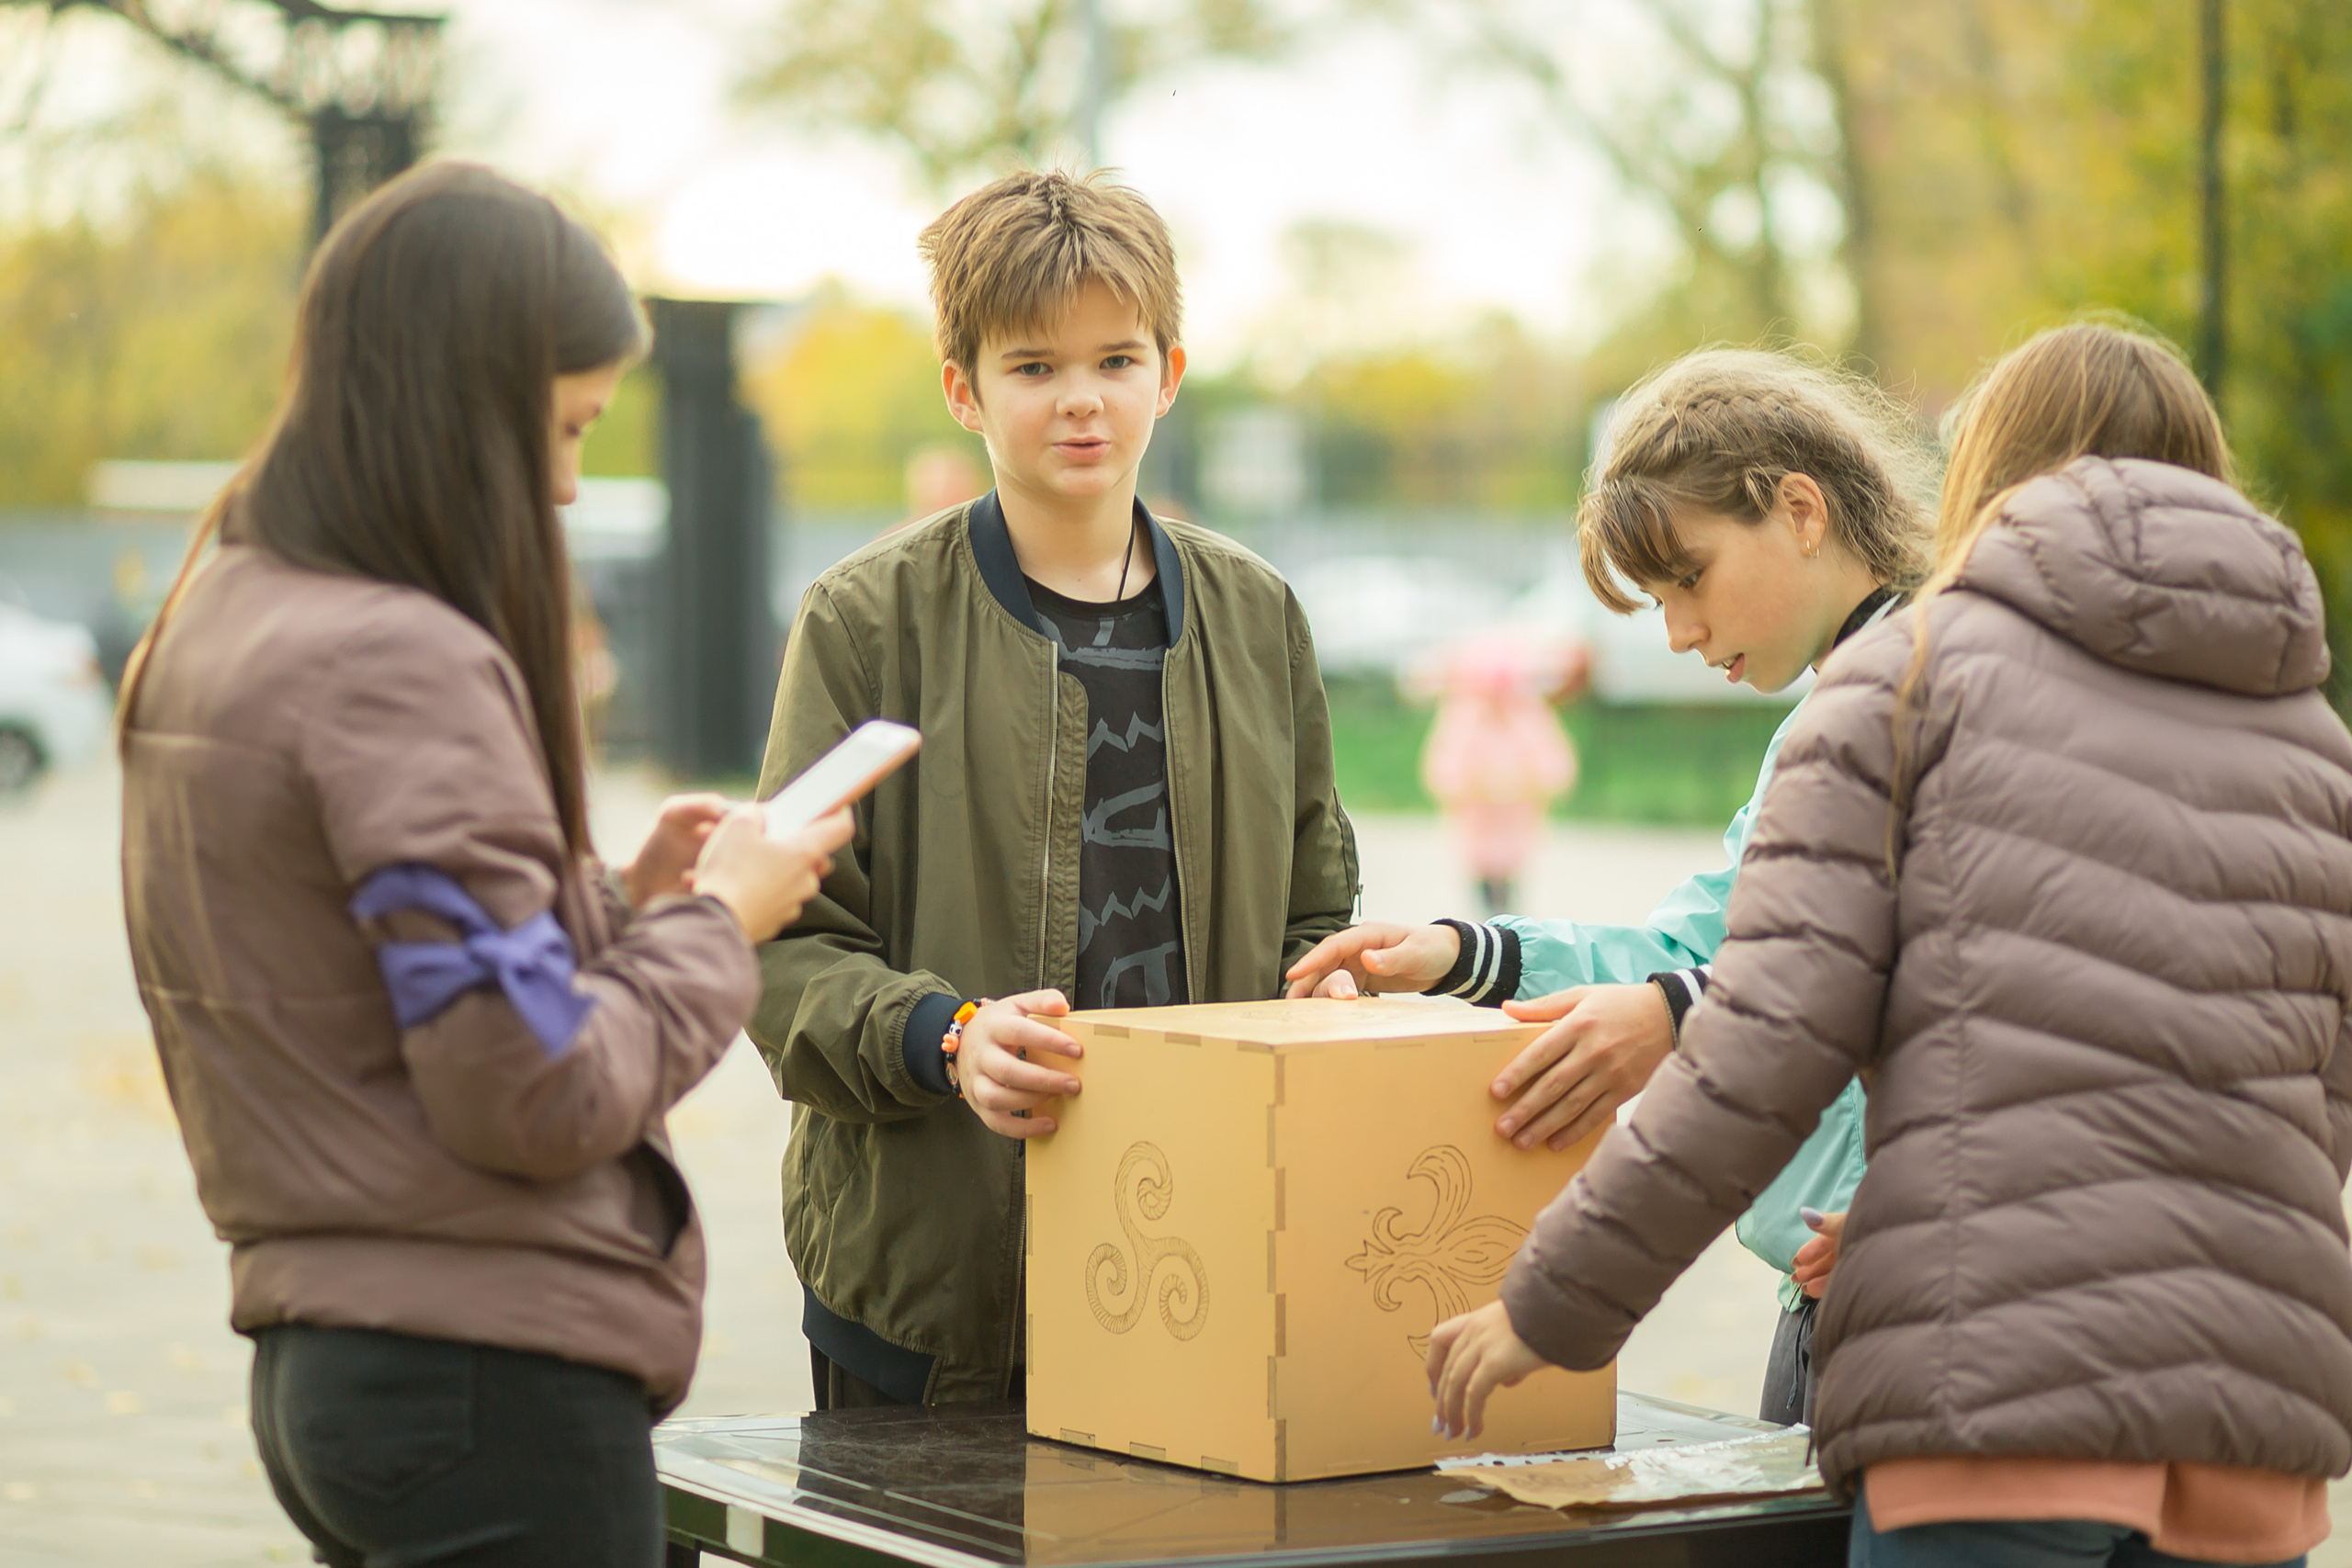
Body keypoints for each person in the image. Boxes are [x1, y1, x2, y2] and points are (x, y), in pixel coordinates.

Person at [1428, 322, 2352, 1568]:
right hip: (2249, 1419)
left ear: (1989, 473)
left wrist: (1555, 1305)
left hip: (1999, 1405)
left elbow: (1763, 1047)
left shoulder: (1904, 688)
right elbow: (2313, 1087)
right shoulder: (2308, 743)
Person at [117, 164, 852, 1568]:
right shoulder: (398, 658)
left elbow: (369, 965)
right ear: (460, 401)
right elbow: (533, 1082)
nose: (568, 482)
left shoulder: (222, 613)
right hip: (488, 1381)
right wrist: (717, 920)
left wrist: (619, 902)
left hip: (337, 1367)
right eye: (563, 425)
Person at [751, 168, 1360, 1410]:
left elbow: (1316, 914)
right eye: (1033, 368)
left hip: (1207, 1264)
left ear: (1169, 374)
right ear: (962, 389)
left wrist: (1334, 981)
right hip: (931, 1295)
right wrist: (949, 1038)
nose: (1080, 400)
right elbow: (778, 950)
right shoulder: (864, 625)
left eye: (1115, 360)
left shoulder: (1260, 618)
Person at [1286, 347, 1933, 1423]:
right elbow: (1698, 951)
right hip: (1845, 1301)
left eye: (1689, 579)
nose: (1678, 633)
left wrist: (1680, 1017)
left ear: (1802, 511)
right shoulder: (1832, 716)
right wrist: (1460, 954)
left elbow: (1926, 988)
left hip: (1910, 1315)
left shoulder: (1917, 697)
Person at [1406, 631, 1587, 916]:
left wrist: (1525, 783)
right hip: (1476, 823)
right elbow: (1443, 770)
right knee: (1484, 885)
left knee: (1511, 887)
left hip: (1518, 822)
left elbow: (1555, 766)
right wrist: (1476, 784)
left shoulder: (1528, 717)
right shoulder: (1464, 719)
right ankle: (1491, 924)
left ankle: (1505, 926)